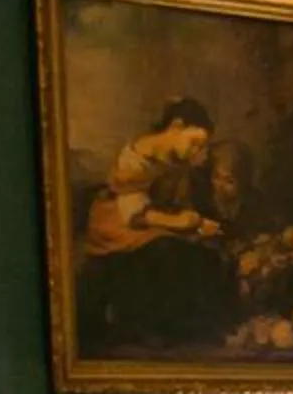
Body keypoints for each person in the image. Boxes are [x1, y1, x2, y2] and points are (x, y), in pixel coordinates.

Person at [77, 97, 233, 353]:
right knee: (165, 250)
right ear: (175, 126)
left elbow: (173, 202)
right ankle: (159, 327)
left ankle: (195, 324)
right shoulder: (136, 158)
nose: (196, 152)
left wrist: (196, 224)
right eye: (194, 143)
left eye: (201, 147)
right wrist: (179, 223)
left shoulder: (177, 160)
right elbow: (135, 214)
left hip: (152, 220)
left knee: (201, 253)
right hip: (117, 225)